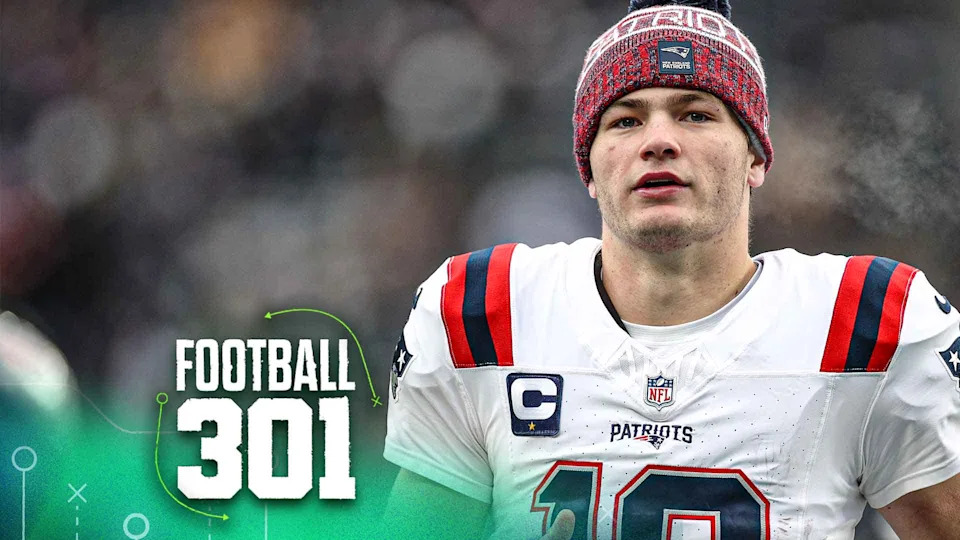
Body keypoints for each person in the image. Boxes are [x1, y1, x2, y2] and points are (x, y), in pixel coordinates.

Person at [382, 0, 960, 538]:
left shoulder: (866, 324)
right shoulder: (484, 312)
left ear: (756, 156)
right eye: (625, 121)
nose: (658, 140)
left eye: (696, 114)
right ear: (588, 168)